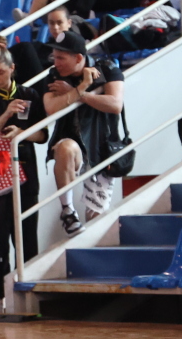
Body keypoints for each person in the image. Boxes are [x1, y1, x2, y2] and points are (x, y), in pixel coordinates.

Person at [0, 45, 48, 305]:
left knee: (26, 235)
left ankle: (28, 294)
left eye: (0, 73)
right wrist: (6, 114)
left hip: (24, 170)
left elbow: (42, 135)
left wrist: (21, 134)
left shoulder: (29, 94)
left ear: (12, 69)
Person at [43, 31, 125, 237]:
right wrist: (82, 87)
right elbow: (51, 108)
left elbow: (115, 104)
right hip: (73, 142)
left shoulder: (107, 69)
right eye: (54, 57)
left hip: (101, 146)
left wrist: (79, 95)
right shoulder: (54, 75)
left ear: (78, 58)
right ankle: (68, 211)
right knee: (64, 148)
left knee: (95, 218)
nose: (56, 62)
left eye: (61, 58)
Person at [8, 6, 91, 88]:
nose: (55, 27)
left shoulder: (76, 44)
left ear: (69, 23)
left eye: (59, 23)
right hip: (36, 83)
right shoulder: (41, 46)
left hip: (53, 84)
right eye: (51, 23)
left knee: (24, 48)